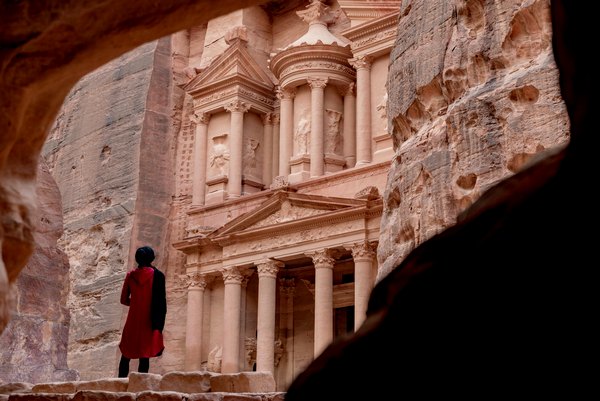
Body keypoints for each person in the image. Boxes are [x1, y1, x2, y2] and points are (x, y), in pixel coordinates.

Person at [118, 246, 166, 377]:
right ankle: (140, 386)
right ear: (151, 258)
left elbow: (123, 299)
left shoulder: (130, 275)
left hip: (133, 319)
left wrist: (134, 303)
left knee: (126, 352)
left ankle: (119, 383)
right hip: (148, 319)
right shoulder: (158, 275)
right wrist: (159, 326)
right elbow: (161, 303)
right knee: (144, 354)